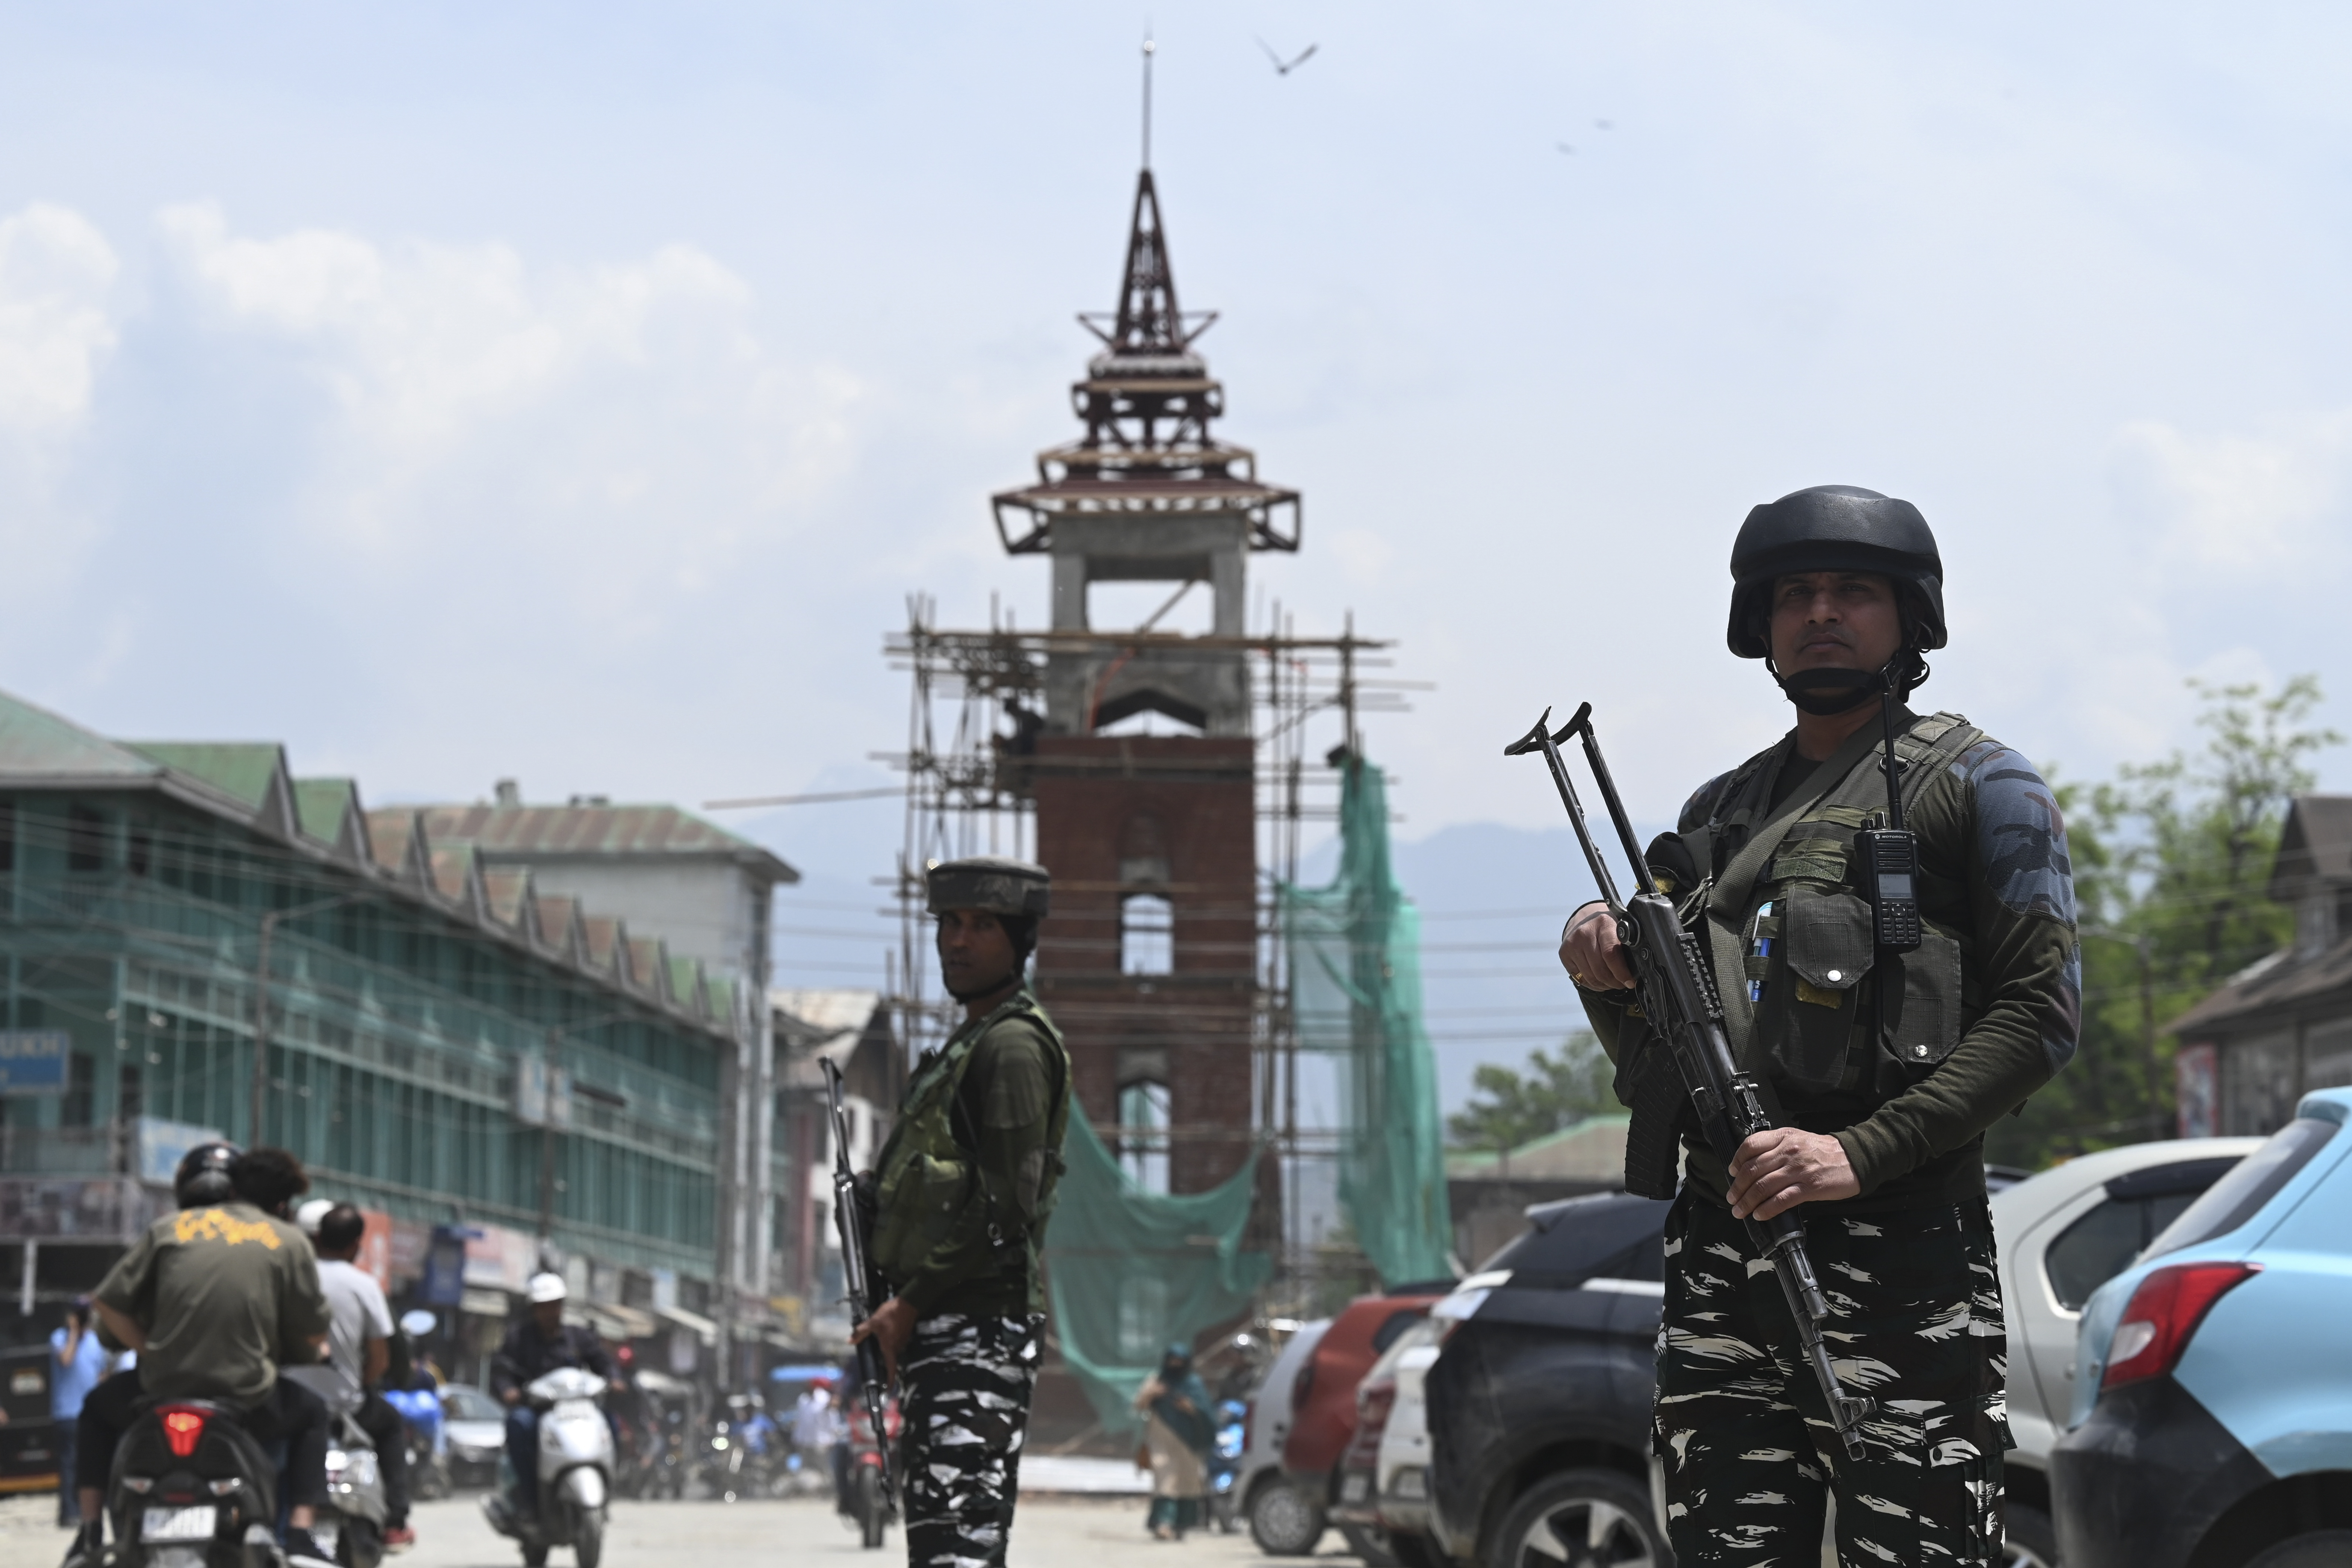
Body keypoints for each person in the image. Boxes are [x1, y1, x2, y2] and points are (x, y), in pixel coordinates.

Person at [1557, 485, 2078, 1566]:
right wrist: (1601, 963)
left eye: (1851, 590)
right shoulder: (1715, 813)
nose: (1820, 611)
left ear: (1908, 616)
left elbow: (2036, 1016)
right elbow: (1664, 1054)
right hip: (1719, 1251)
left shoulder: (1981, 785)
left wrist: (1853, 1152)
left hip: (1900, 1260)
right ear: (1760, 622)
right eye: (1795, 592)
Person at [852, 856, 1072, 1568]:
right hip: (950, 1330)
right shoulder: (968, 1043)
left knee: (959, 1553)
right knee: (948, 1548)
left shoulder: (1010, 1046)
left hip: (976, 1327)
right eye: (950, 922)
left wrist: (909, 1303)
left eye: (981, 926)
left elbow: (1008, 1205)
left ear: (1019, 940)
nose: (958, 940)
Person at [70, 1145, 336, 1568]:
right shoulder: (288, 1241)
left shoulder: (171, 1228)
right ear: (284, 1203)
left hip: (158, 1388)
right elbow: (312, 1331)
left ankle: (87, 1531)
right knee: (313, 1413)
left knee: (94, 1410)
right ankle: (301, 1535)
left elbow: (107, 1304)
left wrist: (155, 1350)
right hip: (247, 1396)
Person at [305, 1204, 416, 1550]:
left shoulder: (295, 1275)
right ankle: (396, 1521)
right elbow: (381, 1358)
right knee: (391, 1423)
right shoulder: (365, 1285)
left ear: (317, 1237)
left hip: (293, 1402)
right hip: (346, 1403)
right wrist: (361, 1383)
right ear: (356, 1244)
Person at [488, 1273, 616, 1529]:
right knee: (519, 1424)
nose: (550, 1312)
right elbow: (501, 1371)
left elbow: (604, 1363)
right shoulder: (518, 1338)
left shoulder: (578, 1337)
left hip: (577, 1409)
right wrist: (509, 1390)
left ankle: (606, 1491)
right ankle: (528, 1498)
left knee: (610, 1424)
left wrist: (615, 1379)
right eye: (544, 1306)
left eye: (555, 1305)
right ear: (534, 1309)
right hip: (538, 1413)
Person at [1132, 1344, 1214, 1541]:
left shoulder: (1193, 1384)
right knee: (1165, 1482)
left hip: (1188, 1444)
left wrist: (1190, 1407)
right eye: (1172, 1361)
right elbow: (1138, 1405)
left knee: (1187, 1483)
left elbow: (1207, 1413)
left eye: (1180, 1362)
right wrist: (1152, 1394)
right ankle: (1163, 1524)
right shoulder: (1157, 1380)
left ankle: (1182, 1525)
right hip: (1161, 1441)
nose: (1175, 1365)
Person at [48, 1300, 107, 1529]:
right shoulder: (59, 1338)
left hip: (91, 1412)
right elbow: (66, 1360)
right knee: (69, 1465)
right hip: (67, 1412)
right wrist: (73, 1332)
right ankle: (68, 1512)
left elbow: (102, 1373)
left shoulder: (95, 1342)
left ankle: (88, 1513)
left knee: (90, 1464)